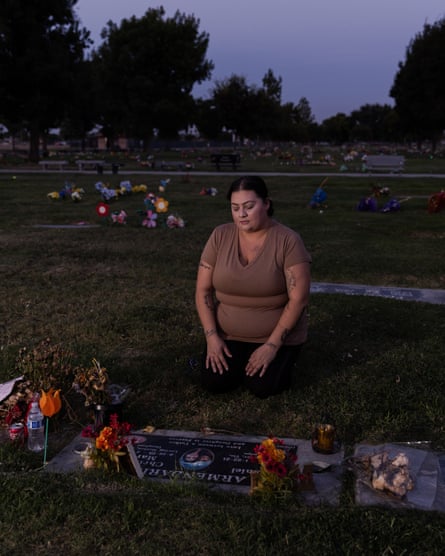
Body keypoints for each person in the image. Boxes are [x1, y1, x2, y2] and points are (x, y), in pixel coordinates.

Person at [195, 176, 311, 398]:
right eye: (235, 208)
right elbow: (203, 291)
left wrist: (271, 346)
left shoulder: (288, 240)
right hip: (228, 334)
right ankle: (238, 357)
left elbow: (299, 299)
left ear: (266, 204)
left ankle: (281, 355)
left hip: (276, 334)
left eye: (249, 206)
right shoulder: (220, 235)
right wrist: (211, 337)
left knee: (262, 386)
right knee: (214, 382)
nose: (242, 214)